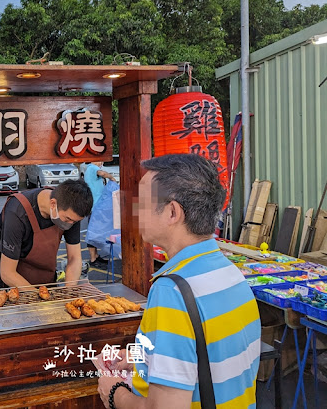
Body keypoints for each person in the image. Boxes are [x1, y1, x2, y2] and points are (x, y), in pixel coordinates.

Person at [98, 154, 260, 409]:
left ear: (172, 212)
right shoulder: (230, 272)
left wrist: (114, 393)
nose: (134, 210)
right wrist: (145, 358)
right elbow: (212, 355)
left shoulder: (172, 290)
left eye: (142, 202)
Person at [0, 179, 92, 289]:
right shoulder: (17, 213)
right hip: (7, 285)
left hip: (44, 281)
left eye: (74, 221)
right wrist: (39, 299)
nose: (71, 224)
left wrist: (69, 291)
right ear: (53, 204)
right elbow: (7, 273)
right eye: (68, 219)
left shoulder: (71, 212)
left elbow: (74, 258)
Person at [84, 162, 117, 268]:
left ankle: (96, 255)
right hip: (95, 207)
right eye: (100, 161)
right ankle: (93, 258)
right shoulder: (92, 168)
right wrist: (112, 178)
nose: (101, 163)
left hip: (96, 206)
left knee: (95, 232)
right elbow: (102, 173)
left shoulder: (89, 169)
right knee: (93, 233)